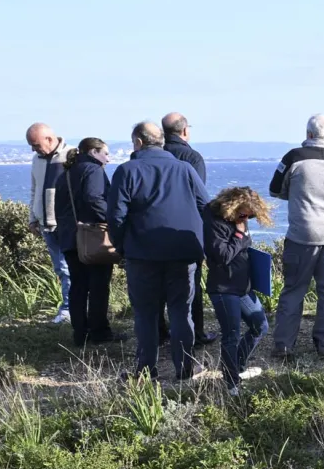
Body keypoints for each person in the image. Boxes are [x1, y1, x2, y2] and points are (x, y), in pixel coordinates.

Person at [107, 121, 209, 380]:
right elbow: (205, 206)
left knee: (145, 313)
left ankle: (144, 371)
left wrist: (121, 247)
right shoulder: (185, 169)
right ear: (161, 141)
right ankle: (185, 367)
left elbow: (116, 217)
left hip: (142, 254)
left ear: (138, 142)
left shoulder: (127, 171)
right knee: (181, 311)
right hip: (183, 252)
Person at [269, 115, 324, 360]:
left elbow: (275, 189)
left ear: (309, 134)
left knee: (294, 290)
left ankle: (284, 345)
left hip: (301, 235)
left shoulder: (293, 158)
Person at [203, 186, 272, 396]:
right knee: (231, 335)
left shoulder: (240, 219)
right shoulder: (214, 222)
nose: (247, 218)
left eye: (250, 215)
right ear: (233, 207)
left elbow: (244, 247)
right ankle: (231, 383)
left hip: (243, 286)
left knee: (260, 326)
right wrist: (240, 234)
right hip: (223, 288)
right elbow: (222, 256)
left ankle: (236, 366)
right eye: (244, 214)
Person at [54, 137, 120, 346]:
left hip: (69, 237)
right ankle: (100, 333)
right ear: (93, 152)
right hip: (91, 237)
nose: (108, 159)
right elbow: (94, 198)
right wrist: (113, 220)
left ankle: (80, 333)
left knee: (78, 286)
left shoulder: (64, 174)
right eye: (105, 153)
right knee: (99, 286)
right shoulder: (93, 171)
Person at [160, 112, 216, 346]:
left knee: (157, 285)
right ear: (184, 131)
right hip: (184, 231)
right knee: (190, 285)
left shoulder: (152, 155)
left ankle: (160, 333)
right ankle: (196, 332)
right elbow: (199, 196)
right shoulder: (192, 157)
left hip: (153, 232)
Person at [25, 123, 73, 324]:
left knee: (67, 268)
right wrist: (32, 218)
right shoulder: (37, 160)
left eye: (35, 144)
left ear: (49, 139)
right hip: (45, 224)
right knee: (60, 268)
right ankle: (68, 307)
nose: (33, 149)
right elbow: (35, 189)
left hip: (65, 223)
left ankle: (69, 308)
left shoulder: (71, 155)